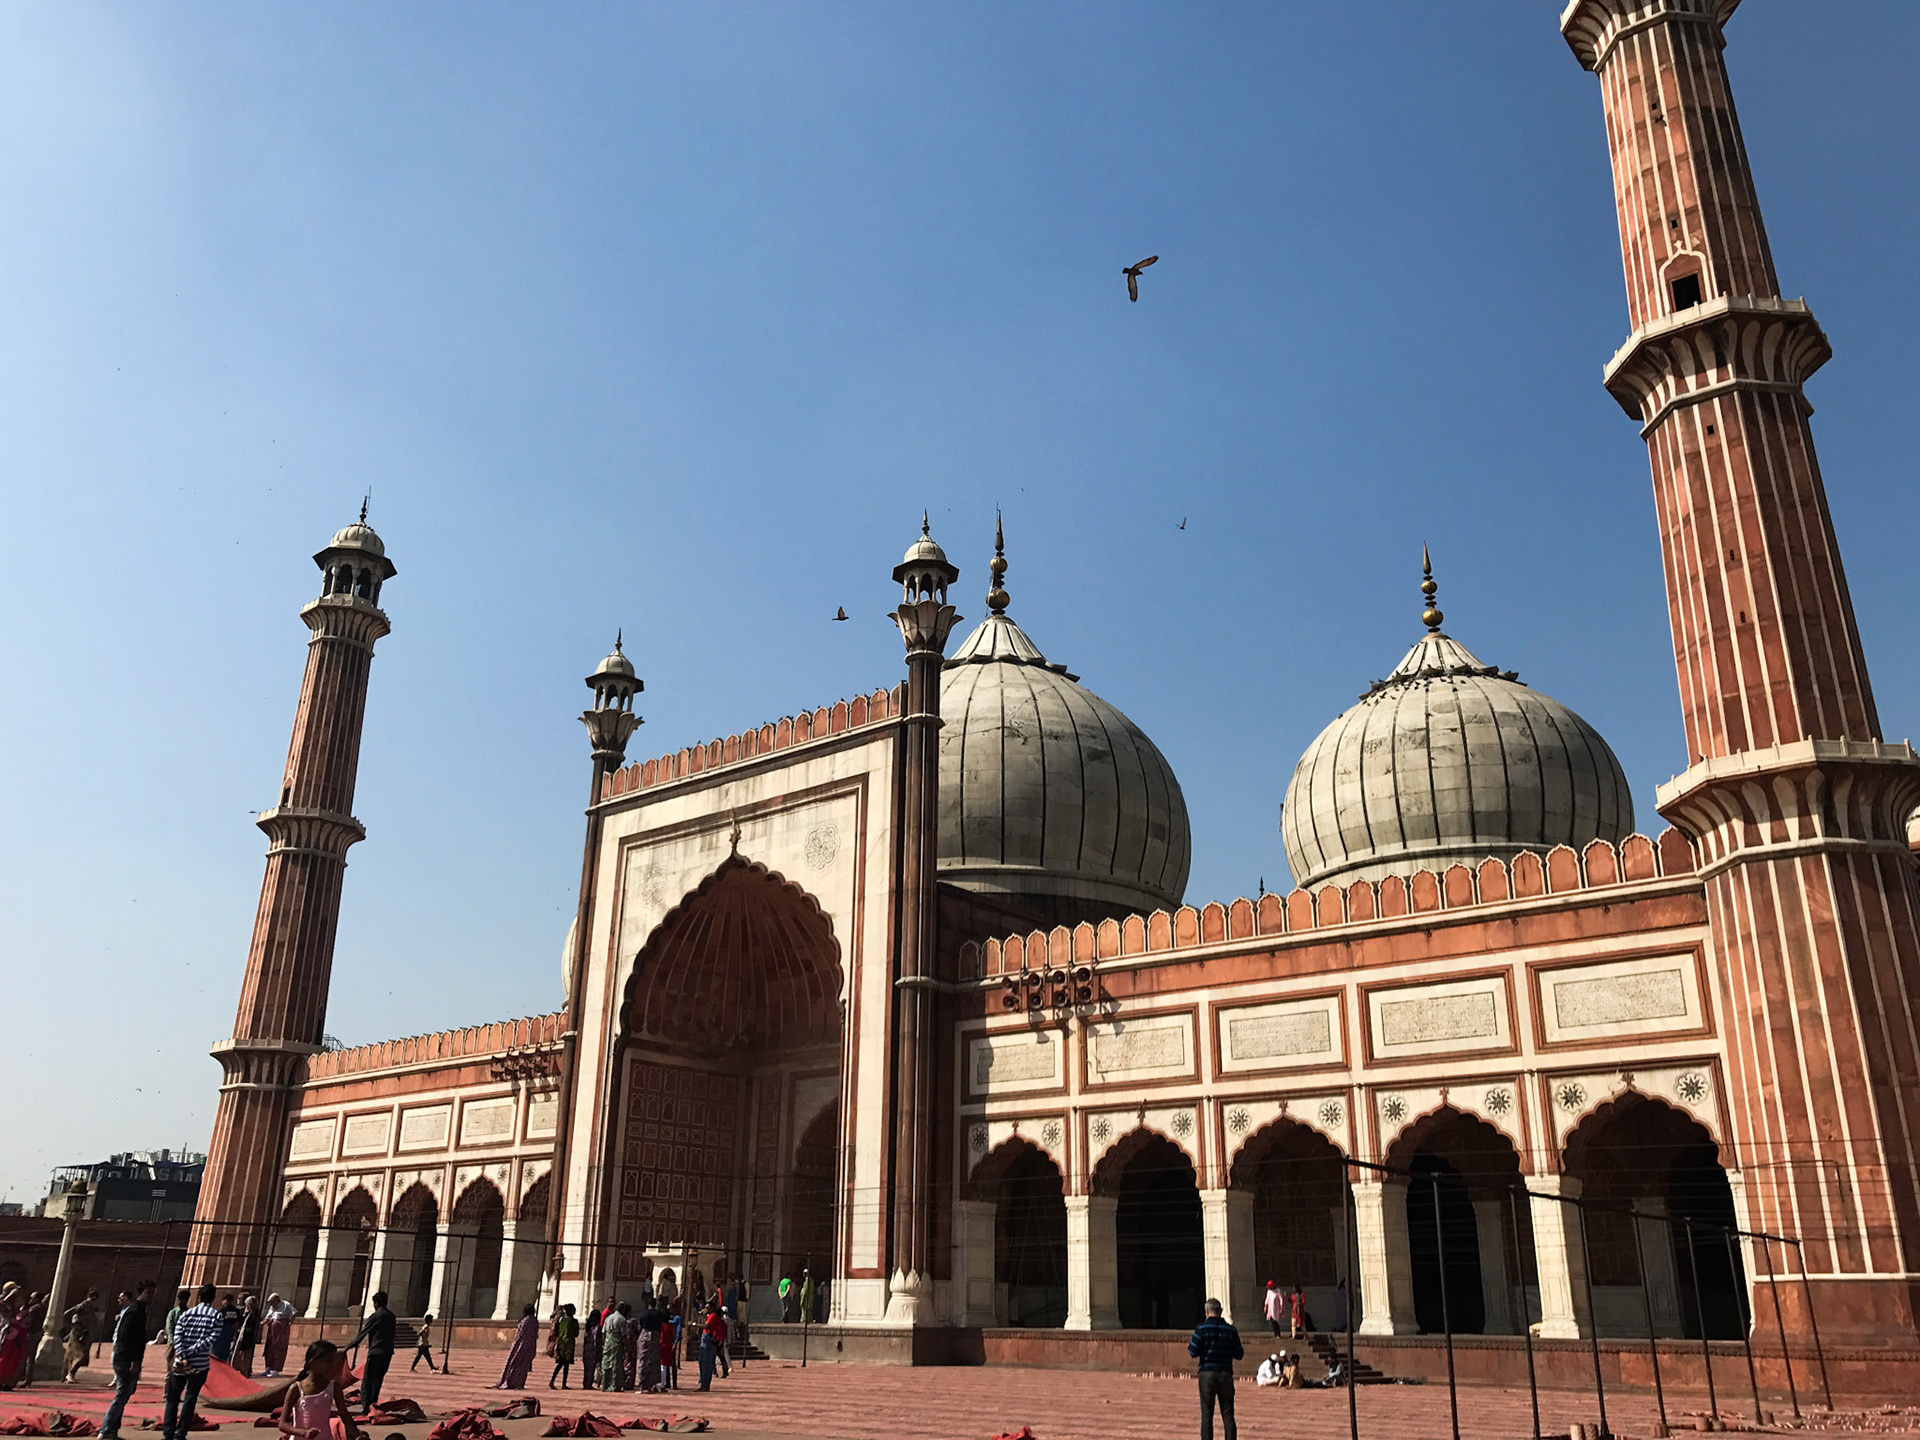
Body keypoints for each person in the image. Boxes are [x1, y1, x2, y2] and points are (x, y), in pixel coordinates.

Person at [163, 1283, 222, 1440]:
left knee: (172, 1399)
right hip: (199, 1364)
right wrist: (193, 1351)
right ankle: (180, 1434)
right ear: (213, 1297)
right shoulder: (216, 1316)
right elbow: (211, 1339)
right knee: (190, 1399)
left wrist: (182, 1353)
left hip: (180, 1363)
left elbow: (177, 1335)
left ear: (199, 1297)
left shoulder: (187, 1314)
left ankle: (167, 1434)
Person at [100, 1280, 155, 1438]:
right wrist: (134, 1361)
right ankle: (106, 1429)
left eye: (152, 1293)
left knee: (125, 1393)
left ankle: (112, 1430)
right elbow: (127, 1337)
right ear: (141, 1292)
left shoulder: (138, 1310)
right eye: (148, 1293)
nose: (151, 1296)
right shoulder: (135, 1311)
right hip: (125, 1358)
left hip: (126, 1357)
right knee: (122, 1394)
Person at [277, 1340, 363, 1440]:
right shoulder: (296, 1389)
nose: (331, 1366)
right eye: (327, 1361)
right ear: (312, 1362)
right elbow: (282, 1424)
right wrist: (303, 1433)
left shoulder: (334, 1387)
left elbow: (345, 1416)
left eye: (333, 1361)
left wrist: (357, 1435)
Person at [1188, 1297, 1243, 1440]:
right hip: (1225, 1374)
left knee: (1207, 1415)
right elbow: (1239, 1354)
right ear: (1221, 1312)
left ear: (1206, 1311)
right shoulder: (1230, 1330)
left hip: (1207, 1374)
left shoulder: (1201, 1329)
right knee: (1228, 1414)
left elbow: (1192, 1351)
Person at [343, 1291, 396, 1416]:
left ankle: (366, 1407)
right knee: (378, 1380)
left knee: (368, 1380)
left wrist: (348, 1347)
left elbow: (363, 1333)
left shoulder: (376, 1316)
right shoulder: (391, 1316)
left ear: (376, 1303)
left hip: (376, 1352)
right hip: (387, 1352)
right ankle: (373, 1404)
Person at [494, 1303, 538, 1390]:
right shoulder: (533, 1321)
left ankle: (510, 1380)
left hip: (519, 1345)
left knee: (514, 1363)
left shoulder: (525, 1320)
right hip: (529, 1345)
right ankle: (518, 1383)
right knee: (523, 1366)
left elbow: (520, 1334)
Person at [0, 1283, 31, 1391]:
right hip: (6, 1333)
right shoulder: (4, 1302)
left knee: (13, 1359)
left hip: (16, 1333)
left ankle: (7, 1382)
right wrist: (9, 1296)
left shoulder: (15, 1306)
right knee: (4, 1358)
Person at [261, 1294, 296, 1377]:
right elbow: (268, 1317)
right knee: (269, 1348)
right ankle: (268, 1368)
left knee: (279, 1349)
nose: (271, 1304)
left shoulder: (286, 1305)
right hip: (272, 1330)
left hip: (281, 1330)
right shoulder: (272, 1307)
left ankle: (277, 1369)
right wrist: (262, 1323)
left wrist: (290, 1323)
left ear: (277, 1299)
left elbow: (294, 1313)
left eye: (272, 1302)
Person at [597, 1302, 628, 1392]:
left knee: (606, 1363)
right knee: (616, 1363)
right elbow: (623, 1334)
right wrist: (625, 1345)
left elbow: (604, 1332)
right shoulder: (621, 1319)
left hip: (608, 1341)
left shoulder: (608, 1318)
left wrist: (604, 1343)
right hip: (616, 1342)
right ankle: (615, 1385)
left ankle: (605, 1384)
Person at [633, 1304, 664, 1393]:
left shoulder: (643, 1314)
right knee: (654, 1361)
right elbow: (662, 1326)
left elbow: (640, 1327)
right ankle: (652, 1384)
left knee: (643, 1360)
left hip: (645, 1335)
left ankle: (642, 1384)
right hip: (655, 1336)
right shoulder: (659, 1314)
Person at [696, 1300, 725, 1392]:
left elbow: (706, 1326)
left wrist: (694, 1324)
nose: (706, 1309)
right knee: (707, 1363)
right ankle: (705, 1384)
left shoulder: (712, 1316)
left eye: (708, 1308)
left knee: (705, 1363)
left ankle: (704, 1384)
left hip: (708, 1339)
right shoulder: (714, 1317)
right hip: (712, 1341)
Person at [547, 1303, 577, 1389]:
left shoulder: (561, 1320)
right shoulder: (573, 1321)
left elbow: (556, 1331)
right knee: (566, 1365)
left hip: (560, 1343)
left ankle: (552, 1380)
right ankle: (563, 1383)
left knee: (560, 1364)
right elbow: (576, 1333)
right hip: (569, 1344)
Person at [234, 1294, 262, 1376]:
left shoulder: (255, 1313)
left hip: (249, 1335)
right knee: (240, 1352)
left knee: (247, 1353)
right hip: (243, 1334)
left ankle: (245, 1370)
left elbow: (252, 1324)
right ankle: (242, 1368)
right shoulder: (246, 1311)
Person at [579, 1304, 601, 1390]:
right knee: (591, 1368)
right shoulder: (598, 1327)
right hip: (594, 1349)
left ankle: (585, 1383)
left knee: (586, 1368)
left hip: (587, 1349)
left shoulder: (588, 1327)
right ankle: (588, 1383)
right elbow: (598, 1340)